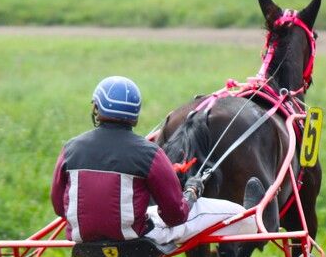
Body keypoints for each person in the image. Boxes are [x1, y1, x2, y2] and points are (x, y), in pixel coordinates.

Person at [51, 76, 255, 247]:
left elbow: (60, 207)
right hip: (137, 240)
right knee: (237, 213)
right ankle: (245, 232)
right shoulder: (151, 154)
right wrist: (191, 193)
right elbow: (175, 217)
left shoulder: (69, 148)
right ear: (135, 116)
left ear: (97, 108)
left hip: (82, 238)